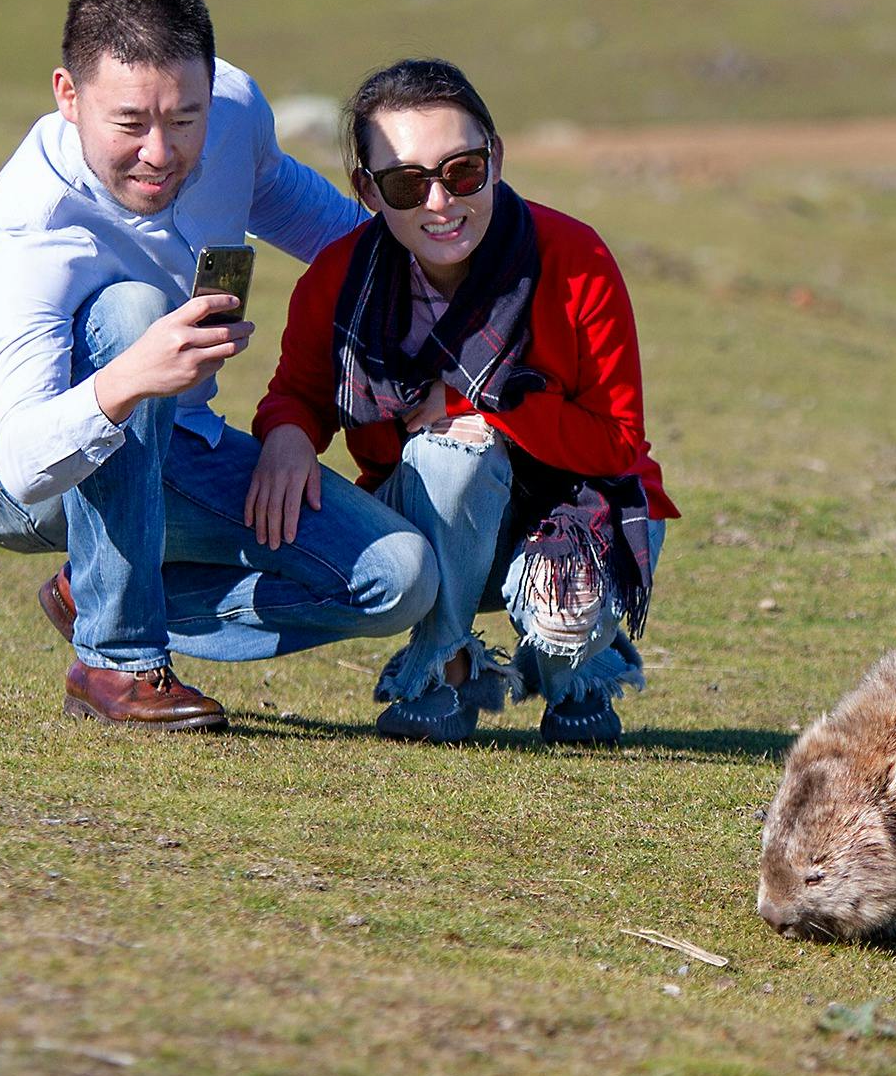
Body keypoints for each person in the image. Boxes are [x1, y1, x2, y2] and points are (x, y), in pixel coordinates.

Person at [0, 0, 439, 731]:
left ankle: (93, 586)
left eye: (183, 120)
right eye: (129, 123)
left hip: (174, 437)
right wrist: (130, 376)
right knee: (133, 311)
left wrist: (429, 273)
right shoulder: (31, 224)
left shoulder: (231, 112)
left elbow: (295, 204)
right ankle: (116, 658)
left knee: (397, 577)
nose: (160, 152)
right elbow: (24, 463)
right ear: (67, 94)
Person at [250, 58, 676, 746]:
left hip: (574, 508)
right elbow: (295, 396)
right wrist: (287, 435)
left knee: (559, 606)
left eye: (462, 171)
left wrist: (483, 400)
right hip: (435, 520)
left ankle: (576, 672)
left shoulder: (574, 257)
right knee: (453, 451)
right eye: (405, 183)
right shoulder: (339, 278)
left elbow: (618, 443)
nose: (440, 203)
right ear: (366, 190)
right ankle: (444, 667)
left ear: (495, 157)